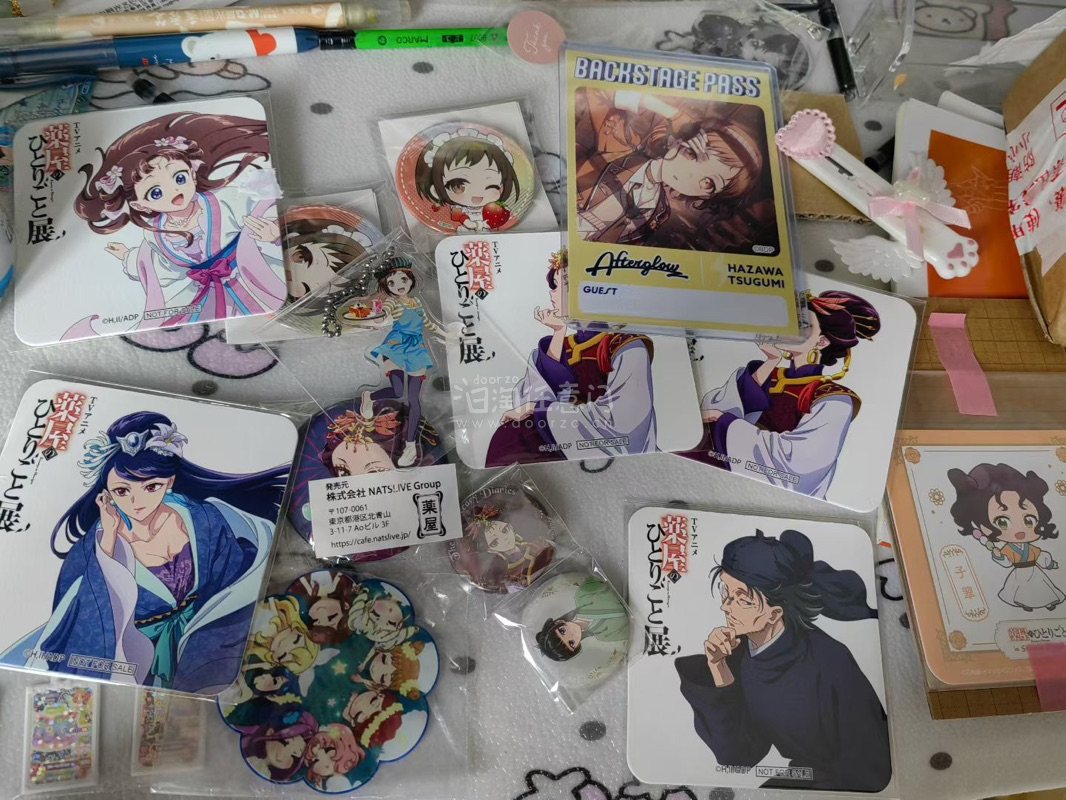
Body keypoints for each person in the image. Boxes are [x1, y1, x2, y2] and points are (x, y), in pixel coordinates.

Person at [1, 412, 287, 693]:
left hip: (202, 635)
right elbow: (85, 615)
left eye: (152, 487)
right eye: (122, 491)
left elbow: (232, 578)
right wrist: (109, 543)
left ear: (170, 481)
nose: (137, 502)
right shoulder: (97, 543)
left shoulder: (202, 518)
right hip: (133, 654)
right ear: (106, 490)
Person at [674, 529, 891, 792]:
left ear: (775, 613)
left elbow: (872, 766)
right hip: (804, 778)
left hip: (848, 784)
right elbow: (738, 755)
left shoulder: (830, 661)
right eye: (725, 592)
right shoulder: (740, 653)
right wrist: (718, 667)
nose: (726, 606)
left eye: (742, 599)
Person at [72, 112, 285, 332]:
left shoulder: (226, 200)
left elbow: (263, 209)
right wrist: (127, 256)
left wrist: (273, 234)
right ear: (140, 206)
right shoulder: (157, 234)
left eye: (179, 178)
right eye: (155, 192)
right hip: (212, 295)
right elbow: (162, 268)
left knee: (280, 313)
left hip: (254, 276)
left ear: (192, 174)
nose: (174, 190)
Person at [683, 290, 881, 499]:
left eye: (802, 325)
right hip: (720, 468)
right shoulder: (770, 373)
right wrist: (771, 361)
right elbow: (719, 407)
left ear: (822, 342)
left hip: (767, 492)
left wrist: (725, 422)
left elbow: (800, 464)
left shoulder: (834, 398)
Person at [485, 249, 656, 465]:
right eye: (554, 285)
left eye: (561, 285)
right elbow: (541, 392)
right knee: (512, 437)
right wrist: (558, 333)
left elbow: (625, 420)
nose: (552, 293)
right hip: (561, 434)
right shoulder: (565, 344)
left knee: (516, 439)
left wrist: (537, 409)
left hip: (604, 448)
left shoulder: (626, 346)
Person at [573, 88, 773, 252]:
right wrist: (673, 114)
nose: (691, 175)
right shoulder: (621, 147)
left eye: (709, 183)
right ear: (676, 140)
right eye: (692, 154)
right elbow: (595, 90)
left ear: (707, 197)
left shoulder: (659, 214)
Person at [949, 463, 1064, 612]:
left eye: (1029, 520)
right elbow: (1006, 562)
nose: (1019, 530)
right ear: (983, 526)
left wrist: (1050, 564)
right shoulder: (1009, 549)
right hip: (1019, 573)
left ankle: (1049, 602)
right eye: (1002, 522)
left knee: (1042, 587)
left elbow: (1041, 556)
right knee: (1021, 590)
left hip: (1034, 571)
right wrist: (998, 555)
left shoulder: (1030, 549)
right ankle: (1026, 603)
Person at [368, 259, 445, 467]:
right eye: (391, 283)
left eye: (403, 279)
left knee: (413, 399)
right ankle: (369, 397)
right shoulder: (392, 303)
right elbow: (382, 315)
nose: (399, 285)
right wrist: (376, 317)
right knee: (397, 391)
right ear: (386, 287)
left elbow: (428, 324)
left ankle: (410, 446)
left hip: (416, 350)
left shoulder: (417, 302)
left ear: (410, 279)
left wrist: (447, 335)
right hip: (396, 346)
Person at [414, 127, 521, 232]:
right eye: (459, 186)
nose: (477, 196)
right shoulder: (458, 209)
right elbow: (460, 219)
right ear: (436, 188)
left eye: (491, 186)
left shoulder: (496, 208)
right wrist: (472, 224)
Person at [454, 503, 555, 591]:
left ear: (511, 528)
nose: (504, 539)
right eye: (495, 541)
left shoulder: (535, 543)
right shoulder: (506, 572)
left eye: (504, 530)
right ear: (491, 549)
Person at [535, 576, 629, 662]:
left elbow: (596, 580)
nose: (571, 634)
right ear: (577, 646)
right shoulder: (605, 636)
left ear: (559, 622)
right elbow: (629, 630)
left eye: (563, 631)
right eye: (571, 643)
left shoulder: (581, 596)